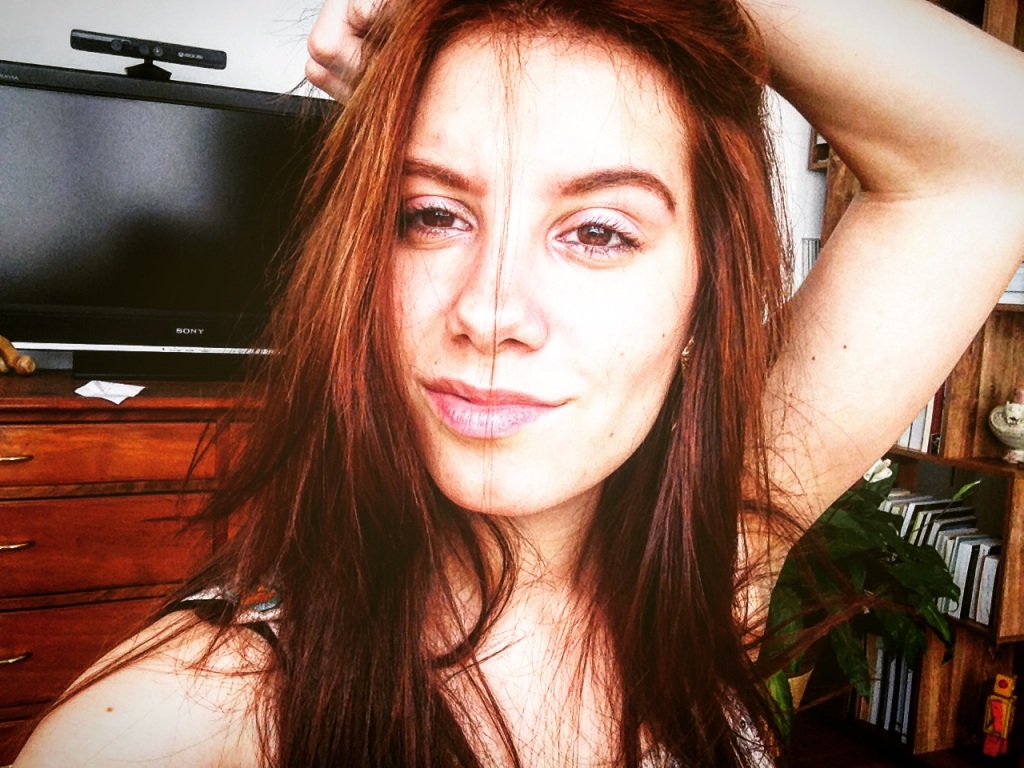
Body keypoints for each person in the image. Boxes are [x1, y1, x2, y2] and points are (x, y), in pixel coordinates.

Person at [15, 0, 1024, 765]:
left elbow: (1002, 146)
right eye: (431, 214)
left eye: (599, 232)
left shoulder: (715, 556)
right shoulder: (178, 726)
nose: (490, 311)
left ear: (701, 300)